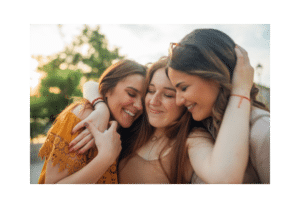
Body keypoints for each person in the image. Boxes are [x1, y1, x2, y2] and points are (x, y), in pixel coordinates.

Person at [77, 49, 254, 184]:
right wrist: (101, 108)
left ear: (184, 101)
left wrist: (241, 90)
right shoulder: (133, 125)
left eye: (168, 95)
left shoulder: (191, 140)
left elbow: (225, 177)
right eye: (150, 91)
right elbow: (93, 85)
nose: (153, 101)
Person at [167, 28, 270, 184]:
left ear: (214, 77)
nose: (178, 101)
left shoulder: (263, 133)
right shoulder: (202, 129)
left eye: (184, 88)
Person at [37, 59, 146, 185]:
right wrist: (106, 157)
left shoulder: (126, 126)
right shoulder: (82, 117)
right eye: (131, 94)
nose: (139, 106)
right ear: (108, 89)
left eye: (143, 100)